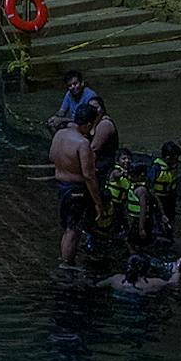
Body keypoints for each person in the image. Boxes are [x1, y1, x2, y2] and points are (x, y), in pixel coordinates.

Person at [44, 106, 107, 267]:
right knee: (73, 230)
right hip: (76, 190)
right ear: (87, 124)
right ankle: (66, 264)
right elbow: (89, 175)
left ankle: (64, 260)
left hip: (61, 185)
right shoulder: (82, 143)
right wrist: (98, 203)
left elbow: (52, 156)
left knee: (67, 227)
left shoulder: (59, 134)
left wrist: (66, 165)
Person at [99, 253, 181, 296]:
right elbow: (173, 283)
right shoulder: (151, 283)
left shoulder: (115, 279)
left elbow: (98, 285)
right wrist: (177, 268)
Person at [148, 142, 181, 236]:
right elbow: (149, 186)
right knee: (157, 217)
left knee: (170, 215)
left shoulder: (173, 167)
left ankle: (168, 230)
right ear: (167, 157)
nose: (176, 160)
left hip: (170, 196)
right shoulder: (156, 168)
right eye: (174, 158)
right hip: (157, 197)